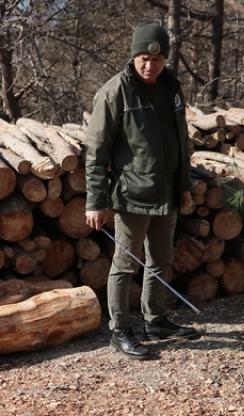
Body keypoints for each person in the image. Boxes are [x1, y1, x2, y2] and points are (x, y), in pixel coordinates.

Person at [85, 21, 200, 360]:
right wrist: (96, 200)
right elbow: (96, 151)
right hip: (131, 195)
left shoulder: (171, 88)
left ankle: (157, 320)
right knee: (125, 265)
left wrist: (184, 186)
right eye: (143, 59)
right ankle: (119, 330)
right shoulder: (114, 92)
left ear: (165, 58)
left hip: (167, 194)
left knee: (161, 261)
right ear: (133, 56)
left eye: (157, 59)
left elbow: (181, 143)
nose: (150, 66)